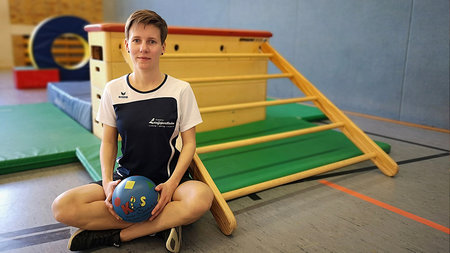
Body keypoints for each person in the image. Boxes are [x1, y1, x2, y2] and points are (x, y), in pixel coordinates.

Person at [51, 9, 214, 252]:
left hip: (166, 181)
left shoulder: (180, 90)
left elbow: (189, 143)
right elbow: (108, 142)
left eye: (151, 41)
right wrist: (107, 183)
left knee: (201, 198)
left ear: (163, 47)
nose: (143, 48)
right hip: (125, 181)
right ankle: (165, 222)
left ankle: (117, 236)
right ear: (127, 45)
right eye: (137, 40)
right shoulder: (113, 90)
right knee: (62, 207)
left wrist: (171, 184)